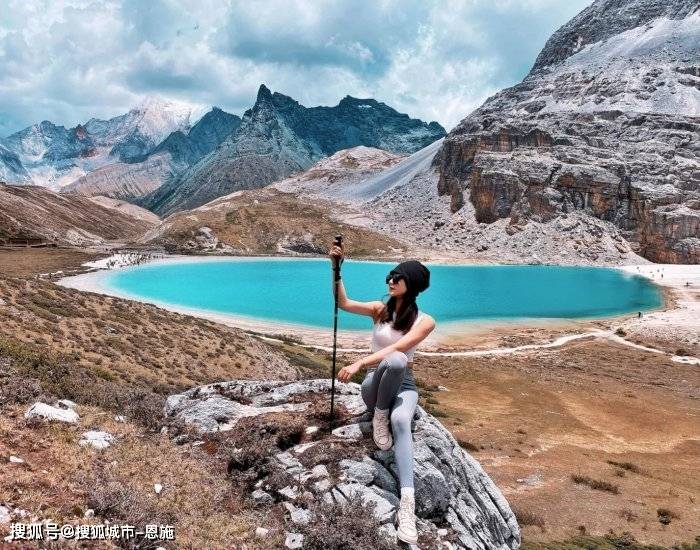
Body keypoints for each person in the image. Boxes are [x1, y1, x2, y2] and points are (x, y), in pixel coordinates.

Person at [329, 242, 436, 545]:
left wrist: (360, 361)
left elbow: (400, 348)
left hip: (404, 384)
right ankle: (378, 411)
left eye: (396, 278)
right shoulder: (379, 310)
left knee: (402, 420)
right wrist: (337, 269)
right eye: (389, 277)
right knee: (393, 363)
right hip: (374, 385)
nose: (390, 282)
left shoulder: (424, 321)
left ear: (410, 284)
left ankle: (407, 504)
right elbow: (343, 303)